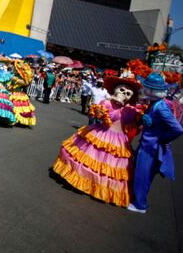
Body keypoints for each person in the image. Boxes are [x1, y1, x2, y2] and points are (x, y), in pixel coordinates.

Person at [52, 76, 142, 207]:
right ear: (116, 90)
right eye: (122, 90)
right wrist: (100, 110)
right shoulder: (106, 103)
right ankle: (83, 182)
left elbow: (136, 125)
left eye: (128, 93)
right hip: (101, 134)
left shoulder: (131, 110)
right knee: (88, 160)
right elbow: (95, 115)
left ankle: (101, 189)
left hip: (118, 141)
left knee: (110, 169)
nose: (124, 94)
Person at [128, 73, 183, 214]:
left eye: (146, 87)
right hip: (147, 144)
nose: (144, 89)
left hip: (152, 148)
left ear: (152, 90)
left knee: (143, 175)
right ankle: (137, 199)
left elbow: (178, 129)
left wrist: (163, 138)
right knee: (140, 173)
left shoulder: (161, 107)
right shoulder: (155, 104)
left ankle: (140, 204)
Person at [7, 60, 37, 126]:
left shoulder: (20, 77)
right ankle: (9, 118)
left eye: (14, 67)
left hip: (18, 94)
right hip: (11, 92)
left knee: (17, 108)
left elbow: (25, 83)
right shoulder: (13, 75)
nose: (13, 68)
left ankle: (15, 119)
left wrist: (16, 80)